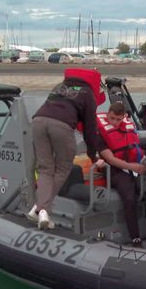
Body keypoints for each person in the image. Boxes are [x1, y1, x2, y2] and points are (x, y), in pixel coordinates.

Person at [29, 68, 105, 229]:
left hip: (38, 121)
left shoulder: (59, 87)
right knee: (63, 168)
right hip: (61, 126)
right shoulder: (88, 94)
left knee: (45, 169)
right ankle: (41, 209)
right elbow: (90, 130)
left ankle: (39, 209)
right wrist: (93, 155)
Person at [97, 102, 146, 247]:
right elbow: (111, 159)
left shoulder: (127, 130)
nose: (115, 123)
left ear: (123, 118)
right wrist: (133, 167)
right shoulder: (101, 134)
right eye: (112, 118)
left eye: (118, 120)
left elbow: (136, 148)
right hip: (114, 171)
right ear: (108, 115)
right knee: (129, 197)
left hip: (134, 167)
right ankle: (135, 237)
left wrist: (141, 164)